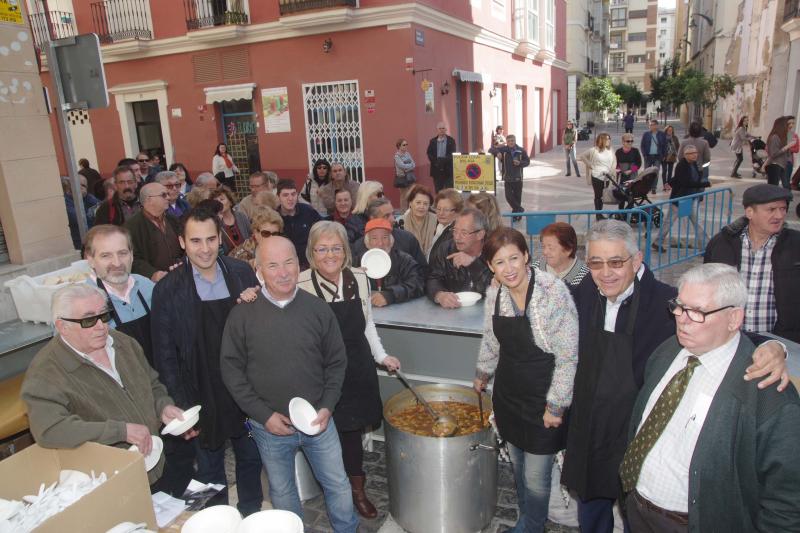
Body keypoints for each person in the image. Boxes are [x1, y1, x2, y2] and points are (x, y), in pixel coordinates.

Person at [560, 220, 789, 533]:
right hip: (591, 426)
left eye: (616, 262)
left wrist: (776, 348)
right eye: (596, 263)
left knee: (632, 511)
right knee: (592, 512)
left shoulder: (669, 304)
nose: (606, 273)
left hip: (635, 431)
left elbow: (728, 330)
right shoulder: (581, 295)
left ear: (637, 260)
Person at [621, 263, 800, 532]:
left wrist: (776, 346)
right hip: (637, 510)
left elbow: (785, 500)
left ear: (734, 318)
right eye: (679, 306)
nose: (681, 318)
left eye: (697, 311)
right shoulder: (668, 352)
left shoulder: (768, 392)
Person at [220, 236, 359, 532]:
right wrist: (262, 415)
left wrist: (327, 406)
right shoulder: (242, 314)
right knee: (282, 493)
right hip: (269, 427)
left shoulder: (318, 309)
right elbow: (231, 370)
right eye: (273, 265)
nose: (283, 272)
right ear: (259, 270)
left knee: (338, 484)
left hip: (319, 421)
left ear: (299, 265)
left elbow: (337, 362)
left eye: (289, 263)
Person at [20, 284, 196, 493]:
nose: (101, 326)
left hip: (157, 460)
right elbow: (50, 430)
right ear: (62, 326)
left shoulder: (122, 343)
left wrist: (163, 407)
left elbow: (152, 383)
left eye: (104, 315)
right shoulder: (46, 372)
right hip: (112, 480)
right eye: (88, 320)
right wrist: (120, 431)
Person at [151, 207, 264, 516]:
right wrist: (182, 406)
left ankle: (251, 514)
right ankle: (219, 520)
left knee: (251, 457)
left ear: (220, 239)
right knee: (210, 468)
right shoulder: (167, 290)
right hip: (200, 392)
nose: (205, 249)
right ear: (182, 242)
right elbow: (165, 356)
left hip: (243, 387)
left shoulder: (241, 273)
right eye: (196, 241)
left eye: (211, 239)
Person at [474, 227, 578, 533]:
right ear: (491, 267)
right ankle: (526, 519)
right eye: (500, 262)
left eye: (514, 258)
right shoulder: (495, 294)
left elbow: (568, 356)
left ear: (527, 256)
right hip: (508, 396)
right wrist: (482, 374)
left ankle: (533, 526)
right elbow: (492, 341)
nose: (509, 268)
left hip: (543, 399)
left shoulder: (553, 292)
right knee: (518, 467)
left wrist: (556, 406)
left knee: (536, 475)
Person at [297, 221, 402, 518]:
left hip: (357, 365)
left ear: (346, 251)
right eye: (322, 249)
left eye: (336, 248)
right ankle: (335, 488)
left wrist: (382, 356)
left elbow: (367, 324)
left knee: (352, 432)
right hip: (320, 370)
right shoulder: (300, 283)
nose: (330, 254)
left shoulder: (359, 277)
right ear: (311, 253)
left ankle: (357, 490)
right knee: (328, 433)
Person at [704, 184, 800, 342]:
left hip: (783, 343)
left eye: (783, 209)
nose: (779, 215)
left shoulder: (796, 245)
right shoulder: (721, 244)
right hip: (730, 340)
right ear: (750, 212)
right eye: (771, 209)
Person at [84, 224, 156, 365]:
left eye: (122, 253)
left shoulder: (147, 287)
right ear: (90, 260)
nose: (117, 263)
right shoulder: (81, 304)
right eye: (106, 255)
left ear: (132, 255)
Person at [426, 207, 494, 307]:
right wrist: (439, 295)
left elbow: (499, 289)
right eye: (455, 231)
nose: (457, 237)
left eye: (464, 233)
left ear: (480, 234)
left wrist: (474, 264)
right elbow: (433, 277)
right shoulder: (446, 249)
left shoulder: (494, 252)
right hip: (452, 314)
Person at [652, 145, 710, 253]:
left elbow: (677, 178)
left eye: (696, 153)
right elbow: (685, 182)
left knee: (697, 223)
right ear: (685, 155)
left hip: (692, 197)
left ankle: (706, 247)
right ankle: (657, 242)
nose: (695, 155)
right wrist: (704, 183)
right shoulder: (681, 165)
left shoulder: (693, 164)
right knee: (669, 221)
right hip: (682, 198)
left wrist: (669, 183)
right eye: (692, 153)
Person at [355, 218, 424, 307]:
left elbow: (418, 284)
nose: (380, 243)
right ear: (368, 242)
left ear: (391, 240)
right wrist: (352, 278)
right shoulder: (358, 261)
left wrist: (390, 295)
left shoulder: (404, 260)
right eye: (374, 238)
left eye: (385, 237)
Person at [124, 183, 182, 282]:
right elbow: (131, 258)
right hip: (152, 283)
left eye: (168, 194)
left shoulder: (173, 220)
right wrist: (152, 274)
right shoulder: (131, 227)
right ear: (148, 199)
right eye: (163, 195)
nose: (168, 197)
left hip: (179, 276)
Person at [352, 198, 428, 271]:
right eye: (386, 216)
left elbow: (422, 271)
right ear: (372, 219)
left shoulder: (408, 239)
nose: (393, 219)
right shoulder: (358, 246)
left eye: (393, 214)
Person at [276, 178, 322, 269]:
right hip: (284, 267)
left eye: (293, 194)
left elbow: (322, 231)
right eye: (285, 195)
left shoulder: (308, 211)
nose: (290, 198)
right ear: (278, 197)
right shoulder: (274, 217)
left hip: (309, 265)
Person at [531, 222, 589, 286]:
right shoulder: (534, 270)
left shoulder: (585, 277)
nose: (545, 252)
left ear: (568, 250)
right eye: (543, 246)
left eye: (551, 248)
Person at [490, 134, 530, 217]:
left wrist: (520, 163)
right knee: (508, 197)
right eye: (509, 141)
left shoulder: (521, 150)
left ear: (515, 141)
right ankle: (520, 209)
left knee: (517, 199)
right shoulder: (504, 150)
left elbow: (527, 161)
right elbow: (491, 149)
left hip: (518, 179)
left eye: (512, 141)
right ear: (507, 142)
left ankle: (516, 216)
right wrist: (497, 152)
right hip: (507, 179)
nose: (511, 142)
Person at [579, 133, 617, 218]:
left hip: (607, 177)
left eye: (609, 138)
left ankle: (600, 213)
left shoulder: (611, 150)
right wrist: (590, 165)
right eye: (607, 139)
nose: (609, 140)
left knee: (603, 196)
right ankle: (598, 214)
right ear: (602, 140)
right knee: (598, 195)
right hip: (597, 176)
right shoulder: (594, 150)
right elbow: (582, 156)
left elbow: (614, 161)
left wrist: (612, 170)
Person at [209, 187, 251, 255]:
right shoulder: (214, 223)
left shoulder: (241, 216)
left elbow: (251, 235)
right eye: (215, 201)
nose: (219, 202)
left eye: (222, 199)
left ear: (230, 202)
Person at [62, 175, 100, 249]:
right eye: (78, 184)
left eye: (84, 185)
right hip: (78, 243)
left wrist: (86, 196)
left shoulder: (87, 198)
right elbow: (79, 219)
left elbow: (100, 209)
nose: (81, 187)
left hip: (93, 240)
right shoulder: (66, 201)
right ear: (70, 186)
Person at [400, 184, 436, 255]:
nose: (421, 206)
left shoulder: (437, 220)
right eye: (418, 203)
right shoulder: (401, 222)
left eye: (425, 203)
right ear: (410, 203)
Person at [429, 188, 463, 259]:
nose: (441, 213)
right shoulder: (437, 226)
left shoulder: (457, 234)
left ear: (457, 211)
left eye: (446, 210)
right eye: (438, 209)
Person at [426, 122, 457, 192]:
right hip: (436, 170)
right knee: (438, 191)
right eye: (440, 128)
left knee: (449, 191)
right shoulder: (432, 141)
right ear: (437, 130)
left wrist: (442, 161)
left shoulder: (451, 140)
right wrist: (435, 162)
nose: (441, 130)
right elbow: (429, 153)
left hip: (448, 170)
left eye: (443, 128)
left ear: (446, 129)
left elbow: (452, 153)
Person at [764, 116, 793, 189]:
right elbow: (773, 154)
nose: (790, 126)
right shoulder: (775, 137)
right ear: (782, 125)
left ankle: (786, 200)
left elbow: (788, 153)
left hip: (783, 165)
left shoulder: (785, 136)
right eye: (788, 124)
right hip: (774, 165)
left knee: (786, 186)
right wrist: (786, 147)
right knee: (772, 188)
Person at [640, 119, 665, 193]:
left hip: (657, 156)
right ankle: (646, 187)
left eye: (653, 125)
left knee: (655, 173)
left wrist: (663, 155)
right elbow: (642, 145)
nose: (651, 126)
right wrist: (644, 154)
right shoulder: (646, 134)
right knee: (647, 173)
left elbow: (664, 145)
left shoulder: (661, 134)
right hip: (648, 156)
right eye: (650, 125)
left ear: (656, 125)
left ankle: (654, 188)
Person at [393, 138, 417, 209]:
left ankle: (411, 210)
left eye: (406, 144)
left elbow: (414, 164)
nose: (406, 146)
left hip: (410, 176)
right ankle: (403, 212)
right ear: (399, 146)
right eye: (404, 145)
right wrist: (410, 166)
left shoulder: (407, 153)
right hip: (402, 178)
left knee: (412, 194)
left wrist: (408, 167)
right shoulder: (397, 156)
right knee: (404, 196)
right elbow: (402, 166)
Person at [661, 125, 680, 189]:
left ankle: (669, 184)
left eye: (671, 130)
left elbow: (678, 146)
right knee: (664, 171)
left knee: (670, 171)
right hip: (664, 156)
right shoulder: (663, 137)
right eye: (668, 130)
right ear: (666, 130)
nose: (670, 131)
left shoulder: (675, 137)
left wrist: (675, 152)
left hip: (672, 156)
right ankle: (664, 184)